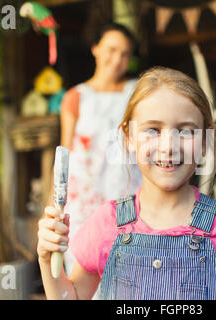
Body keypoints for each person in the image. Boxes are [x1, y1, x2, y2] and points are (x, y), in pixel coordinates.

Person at [38, 67, 216, 300]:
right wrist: (46, 259)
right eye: (153, 130)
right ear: (129, 138)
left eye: (186, 131)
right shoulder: (107, 222)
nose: (168, 146)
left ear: (206, 141)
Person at [57, 23, 142, 275]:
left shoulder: (136, 92)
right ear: (95, 49)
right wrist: (56, 205)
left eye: (125, 54)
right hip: (83, 201)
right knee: (84, 271)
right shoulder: (76, 97)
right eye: (111, 49)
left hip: (128, 195)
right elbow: (64, 155)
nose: (117, 59)